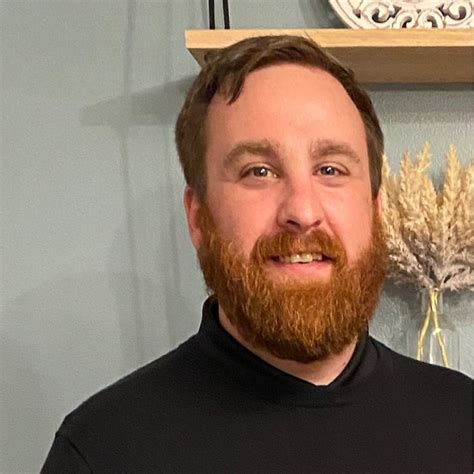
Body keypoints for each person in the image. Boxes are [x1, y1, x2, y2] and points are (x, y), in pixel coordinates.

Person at [42, 35, 472, 473]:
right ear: (198, 217)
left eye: (330, 169)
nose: (302, 211)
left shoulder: (463, 420)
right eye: (258, 171)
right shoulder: (103, 452)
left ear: (375, 211)